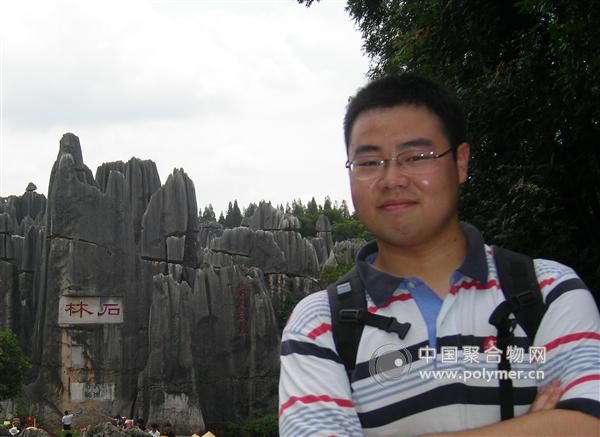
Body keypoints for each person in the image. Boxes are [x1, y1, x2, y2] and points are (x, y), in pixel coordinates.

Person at [278, 74, 600, 436]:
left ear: (461, 162)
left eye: (417, 157)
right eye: (368, 162)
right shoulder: (320, 324)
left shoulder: (546, 290)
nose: (392, 178)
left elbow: (590, 424)